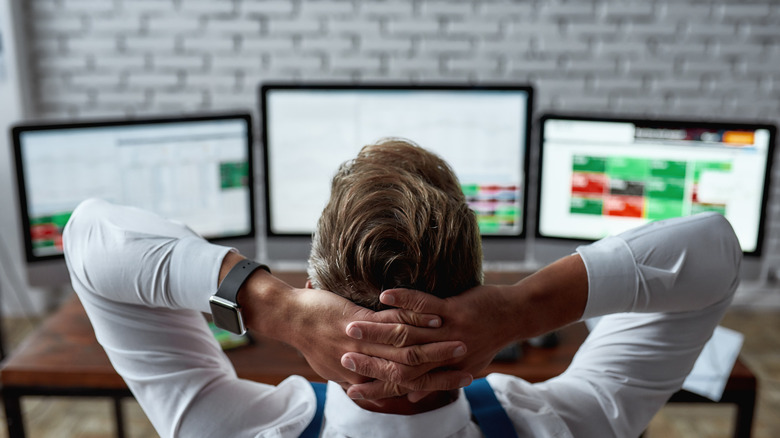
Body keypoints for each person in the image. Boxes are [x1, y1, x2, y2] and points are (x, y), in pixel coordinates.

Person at [63, 139, 742, 437]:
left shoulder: (224, 428)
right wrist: (518, 310)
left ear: (313, 286)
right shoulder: (573, 423)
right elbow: (710, 250)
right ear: (476, 292)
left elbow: (90, 236)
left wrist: (273, 308)